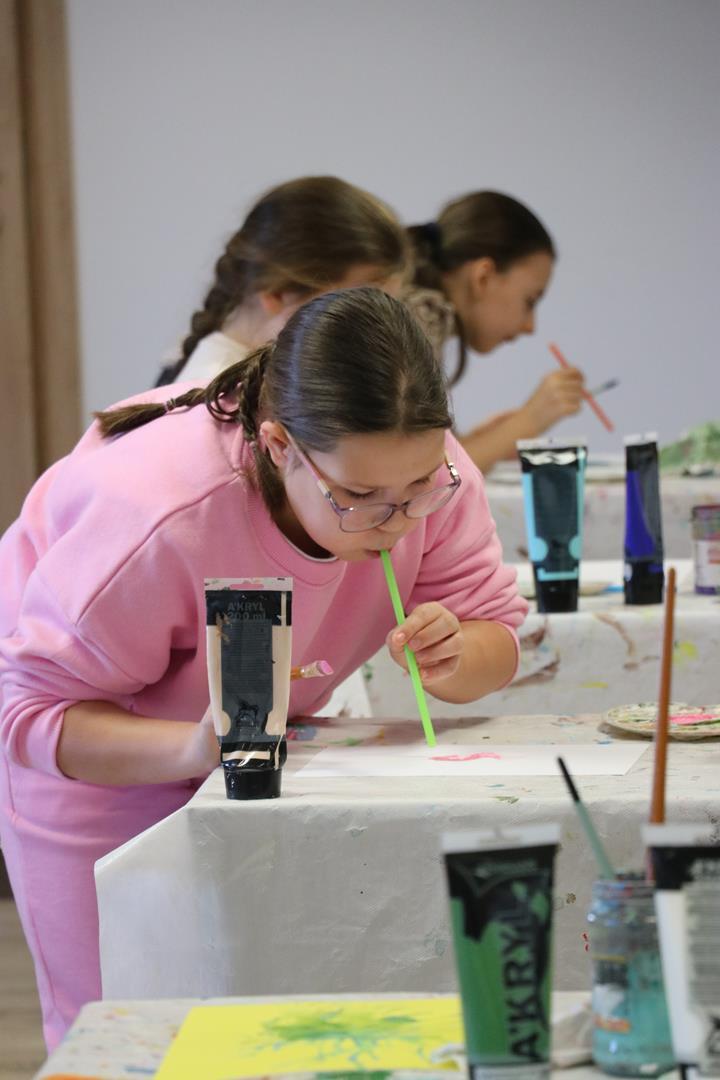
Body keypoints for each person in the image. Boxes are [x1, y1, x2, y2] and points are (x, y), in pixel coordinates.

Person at [0, 287, 527, 1049]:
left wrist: (457, 656)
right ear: (280, 446)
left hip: (258, 754)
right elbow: (28, 714)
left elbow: (496, 635)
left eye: (420, 488)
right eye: (358, 496)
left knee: (278, 1029)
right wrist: (192, 748)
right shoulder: (160, 513)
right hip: (101, 760)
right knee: (131, 1036)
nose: (399, 521)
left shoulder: (427, 473)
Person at [155, 174, 408, 387]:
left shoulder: (270, 382)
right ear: (277, 294)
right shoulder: (221, 401)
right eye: (360, 315)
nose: (376, 338)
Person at [404, 191, 586, 473]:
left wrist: (486, 440)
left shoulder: (418, 318)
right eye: (530, 301)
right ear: (483, 277)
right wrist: (530, 420)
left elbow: (423, 461)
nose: (530, 327)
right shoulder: (409, 327)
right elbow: (424, 476)